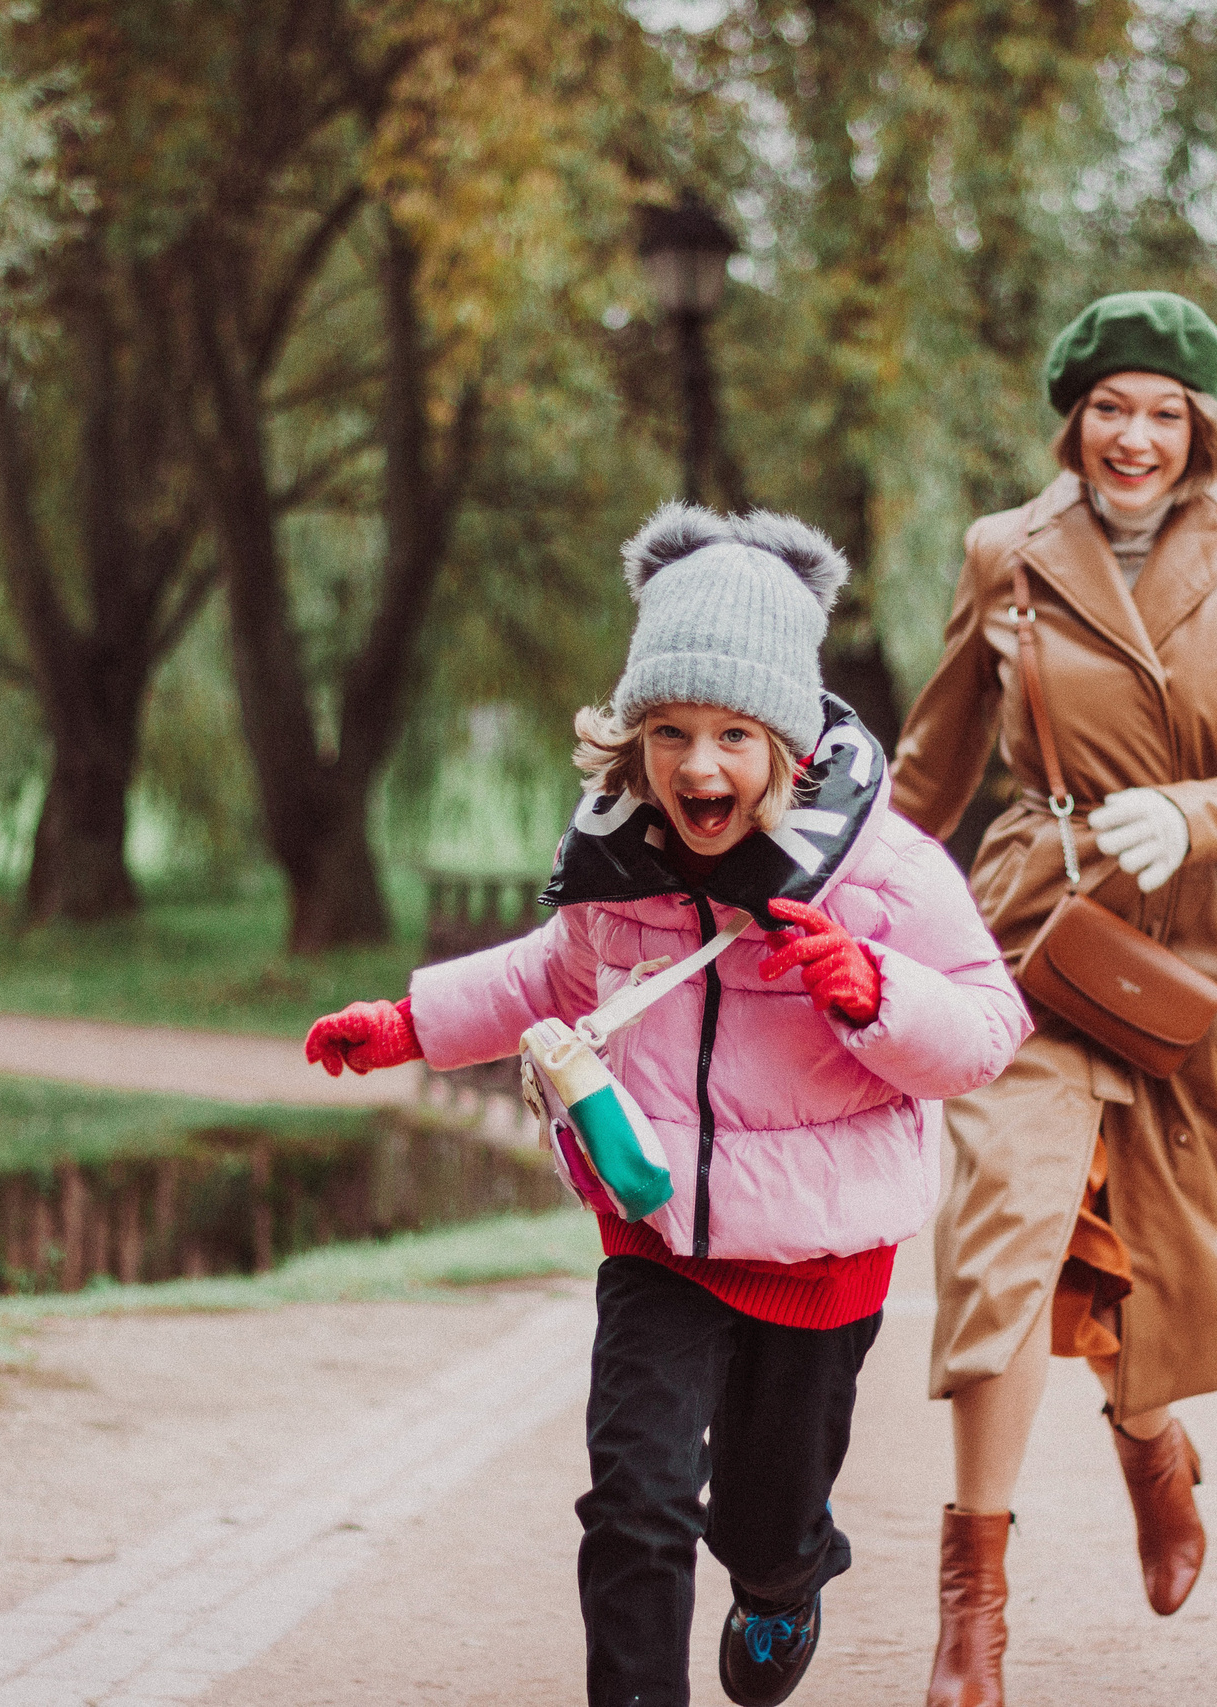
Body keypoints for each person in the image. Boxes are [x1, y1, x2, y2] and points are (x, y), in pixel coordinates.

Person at [303, 504, 1030, 1707]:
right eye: (671, 733)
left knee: (763, 1523)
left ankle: (784, 1580)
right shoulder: (620, 869)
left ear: (788, 742)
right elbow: (550, 978)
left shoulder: (885, 873)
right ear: (632, 739)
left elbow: (989, 1029)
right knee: (634, 1501)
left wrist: (872, 992)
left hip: (818, 1254)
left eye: (735, 735)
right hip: (658, 1234)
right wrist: (409, 1024)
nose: (700, 768)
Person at [889, 290, 1217, 1705]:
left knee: (1149, 1255)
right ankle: (973, 1607)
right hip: (1037, 936)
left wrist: (1191, 816)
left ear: (1201, 426)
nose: (1133, 437)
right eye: (1108, 408)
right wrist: (831, 901)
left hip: (1205, 954)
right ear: (1073, 419)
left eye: (1162, 411)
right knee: (1004, 1246)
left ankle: (1149, 1441)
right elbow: (931, 771)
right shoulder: (1007, 554)